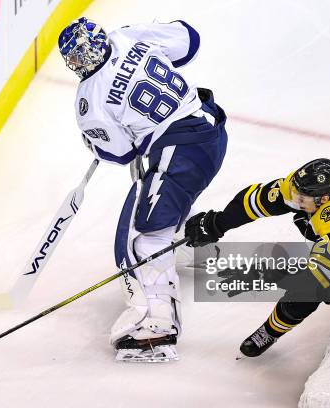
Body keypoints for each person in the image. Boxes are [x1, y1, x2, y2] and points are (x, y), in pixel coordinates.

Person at [58, 18, 228, 361]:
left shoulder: (88, 99)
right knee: (156, 191)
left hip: (179, 152)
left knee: (141, 237)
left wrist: (93, 143)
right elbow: (188, 40)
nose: (77, 65)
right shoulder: (125, 35)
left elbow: (120, 153)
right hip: (210, 128)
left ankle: (158, 326)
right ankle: (195, 248)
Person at [185, 158, 330, 357]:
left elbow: (315, 279)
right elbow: (257, 199)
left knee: (311, 292)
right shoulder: (306, 190)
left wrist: (267, 275)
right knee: (301, 220)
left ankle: (271, 331)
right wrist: (218, 223)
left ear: (325, 199)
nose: (294, 198)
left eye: (301, 197)